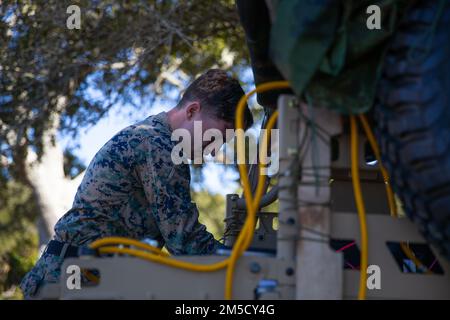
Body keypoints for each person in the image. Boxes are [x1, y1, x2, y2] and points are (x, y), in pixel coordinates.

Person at [20, 68, 254, 298]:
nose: (215, 151)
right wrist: (250, 265)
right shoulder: (160, 147)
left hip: (82, 279)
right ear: (192, 111)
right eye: (218, 136)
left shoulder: (153, 136)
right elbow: (186, 243)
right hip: (71, 284)